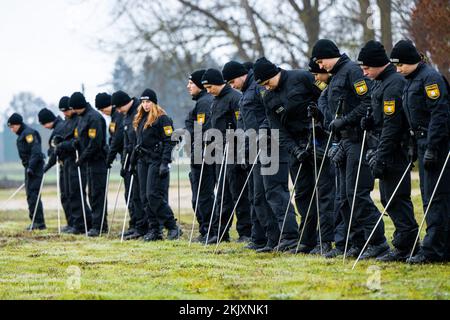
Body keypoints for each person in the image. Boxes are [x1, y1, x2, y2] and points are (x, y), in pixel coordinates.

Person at [311, 39, 389, 259]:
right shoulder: (337, 75)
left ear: (330, 55)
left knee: (357, 193)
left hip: (358, 140)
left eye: (321, 60)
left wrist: (344, 121)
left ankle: (378, 241)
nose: (320, 65)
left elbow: (367, 103)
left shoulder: (352, 71)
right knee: (345, 197)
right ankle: (356, 242)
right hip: (344, 141)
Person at [253, 57, 335, 254]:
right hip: (296, 147)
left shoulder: (303, 77)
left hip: (319, 139)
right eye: (263, 85)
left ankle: (327, 241)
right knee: (303, 194)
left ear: (275, 74)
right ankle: (307, 241)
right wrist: (295, 150)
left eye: (267, 82)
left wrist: (320, 118)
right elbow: (277, 128)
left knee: (325, 192)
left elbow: (328, 99)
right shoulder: (267, 96)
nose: (266, 87)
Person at [357, 40, 419, 261]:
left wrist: (381, 157)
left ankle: (408, 245)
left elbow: (392, 126)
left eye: (366, 68)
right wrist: (370, 122)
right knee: (386, 197)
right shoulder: (379, 82)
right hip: (384, 147)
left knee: (396, 198)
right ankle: (406, 242)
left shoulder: (393, 83)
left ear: (378, 64)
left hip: (395, 150)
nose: (364, 73)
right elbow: (380, 118)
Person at [390, 40, 450, 263]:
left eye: (400, 65)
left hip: (437, 144)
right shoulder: (411, 79)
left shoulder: (430, 79)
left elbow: (439, 115)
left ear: (411, 61)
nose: (397, 70)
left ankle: (433, 250)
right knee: (428, 196)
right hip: (422, 142)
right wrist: (413, 146)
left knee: (436, 197)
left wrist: (433, 148)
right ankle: (441, 247)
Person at [221, 60, 280, 251]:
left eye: (232, 82)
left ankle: (274, 239)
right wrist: (244, 150)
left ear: (241, 75)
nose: (232, 86)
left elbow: (267, 118)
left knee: (264, 196)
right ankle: (259, 237)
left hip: (266, 147)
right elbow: (243, 125)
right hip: (252, 150)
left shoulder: (258, 88)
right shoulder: (245, 93)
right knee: (255, 197)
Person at [201, 68, 252, 244]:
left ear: (217, 83)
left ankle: (246, 231)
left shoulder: (235, 98)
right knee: (222, 193)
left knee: (239, 193)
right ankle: (220, 232)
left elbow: (241, 125)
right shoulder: (215, 101)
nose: (207, 91)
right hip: (219, 152)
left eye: (209, 87)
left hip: (235, 151)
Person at [132, 88, 183, 241]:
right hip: (143, 160)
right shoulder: (141, 118)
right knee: (144, 198)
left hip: (156, 160)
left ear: (154, 102)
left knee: (153, 195)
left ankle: (172, 226)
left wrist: (165, 162)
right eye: (143, 102)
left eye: (148, 101)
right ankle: (154, 230)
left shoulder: (162, 118)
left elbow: (170, 141)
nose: (145, 105)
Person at [70, 92, 108, 237]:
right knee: (92, 194)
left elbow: (95, 143)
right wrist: (76, 142)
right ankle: (98, 224)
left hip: (97, 161)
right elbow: (81, 137)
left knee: (97, 194)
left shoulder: (94, 118)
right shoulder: (81, 118)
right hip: (88, 162)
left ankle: (98, 226)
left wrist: (82, 158)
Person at [186, 70, 216, 243]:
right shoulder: (199, 103)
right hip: (198, 155)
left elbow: (203, 131)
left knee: (203, 196)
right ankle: (206, 229)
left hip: (204, 156)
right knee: (199, 195)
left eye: (191, 83)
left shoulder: (205, 103)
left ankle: (209, 230)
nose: (188, 86)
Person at [113, 90, 147, 240]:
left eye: (119, 107)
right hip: (129, 160)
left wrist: (133, 158)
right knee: (131, 196)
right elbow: (126, 140)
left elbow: (139, 138)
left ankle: (143, 226)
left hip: (141, 159)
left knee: (140, 196)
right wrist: (125, 162)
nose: (118, 111)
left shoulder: (140, 110)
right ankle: (135, 225)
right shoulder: (125, 115)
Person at [8, 113, 46, 230]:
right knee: (30, 195)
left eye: (12, 127)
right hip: (29, 167)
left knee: (33, 194)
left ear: (18, 124)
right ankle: (35, 221)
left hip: (34, 168)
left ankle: (39, 223)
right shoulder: (22, 134)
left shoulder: (29, 133)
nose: (11, 129)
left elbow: (35, 151)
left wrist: (31, 167)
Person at [38, 107, 71, 231]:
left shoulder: (60, 128)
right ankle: (71, 223)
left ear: (48, 121)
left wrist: (46, 167)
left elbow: (56, 151)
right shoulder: (58, 127)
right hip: (63, 164)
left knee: (68, 196)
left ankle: (74, 223)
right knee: (65, 196)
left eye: (43, 123)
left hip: (66, 164)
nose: (44, 126)